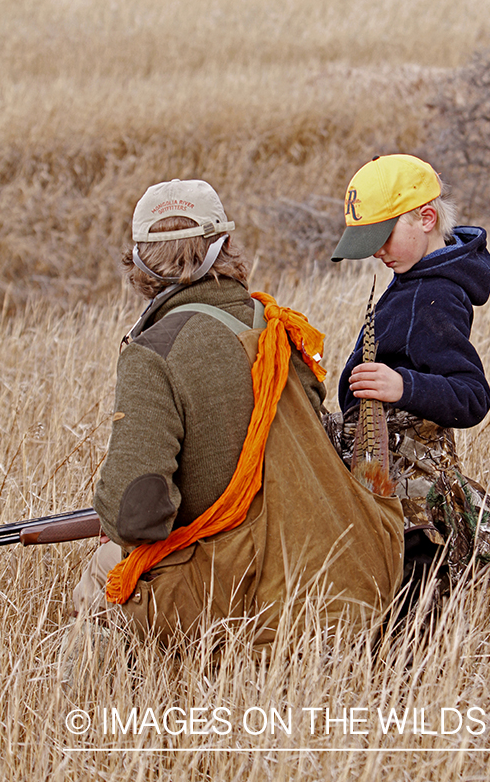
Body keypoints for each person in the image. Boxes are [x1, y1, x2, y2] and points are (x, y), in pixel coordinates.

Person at [74, 178, 403, 648]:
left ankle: (93, 714)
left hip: (266, 595)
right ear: (225, 245)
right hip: (357, 571)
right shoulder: (275, 327)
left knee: (103, 577)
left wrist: (113, 525)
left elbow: (137, 515)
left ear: (140, 262)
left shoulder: (153, 353)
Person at [329, 155, 490, 593]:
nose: (378, 252)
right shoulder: (415, 278)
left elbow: (472, 395)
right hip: (389, 483)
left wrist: (403, 386)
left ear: (426, 218)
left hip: (411, 504)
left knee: (409, 609)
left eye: (384, 237)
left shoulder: (437, 294)